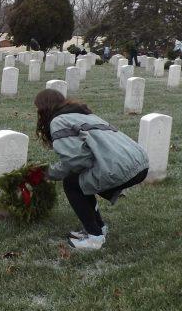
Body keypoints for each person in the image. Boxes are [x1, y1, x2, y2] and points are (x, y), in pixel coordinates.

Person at [34, 89, 149, 251]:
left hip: (121, 167)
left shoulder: (58, 121)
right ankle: (99, 227)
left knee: (71, 184)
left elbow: (76, 160)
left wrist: (48, 173)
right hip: (140, 162)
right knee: (82, 180)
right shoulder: (85, 115)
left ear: (43, 108)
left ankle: (95, 238)